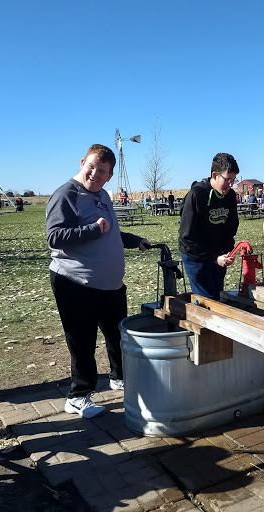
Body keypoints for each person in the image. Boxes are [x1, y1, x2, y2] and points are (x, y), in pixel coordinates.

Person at [46, 144, 151, 418]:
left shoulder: (102, 195)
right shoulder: (66, 194)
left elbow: (110, 232)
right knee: (83, 341)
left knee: (117, 335)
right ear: (82, 162)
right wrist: (92, 229)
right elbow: (54, 237)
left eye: (102, 171)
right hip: (76, 283)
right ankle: (78, 397)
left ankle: (118, 378)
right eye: (91, 167)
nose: (94, 174)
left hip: (109, 286)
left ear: (109, 175)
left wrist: (134, 240)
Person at [179, 153, 240, 300]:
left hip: (217, 253)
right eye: (227, 180)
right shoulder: (196, 195)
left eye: (233, 180)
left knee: (218, 295)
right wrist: (213, 258)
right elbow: (187, 236)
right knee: (208, 300)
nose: (230, 185)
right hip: (196, 256)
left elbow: (231, 227)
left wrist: (227, 251)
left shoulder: (230, 196)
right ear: (214, 175)